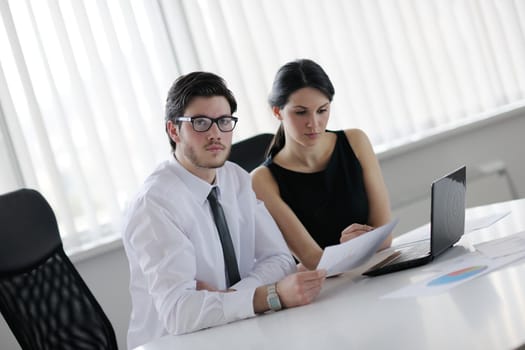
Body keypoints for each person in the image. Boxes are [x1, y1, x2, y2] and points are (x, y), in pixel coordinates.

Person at [121, 71, 326, 349]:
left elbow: (280, 259)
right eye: (201, 123)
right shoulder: (154, 204)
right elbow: (180, 313)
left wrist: (230, 297)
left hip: (236, 330)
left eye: (224, 121)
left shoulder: (235, 177)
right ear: (173, 130)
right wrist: (267, 295)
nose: (216, 133)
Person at [251, 59, 393, 271]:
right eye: (301, 112)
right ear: (277, 112)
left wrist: (350, 249)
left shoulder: (356, 142)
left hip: (373, 271)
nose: (314, 123)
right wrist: (350, 248)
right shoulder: (262, 180)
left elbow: (385, 236)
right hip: (324, 290)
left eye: (322, 110)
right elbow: (314, 260)